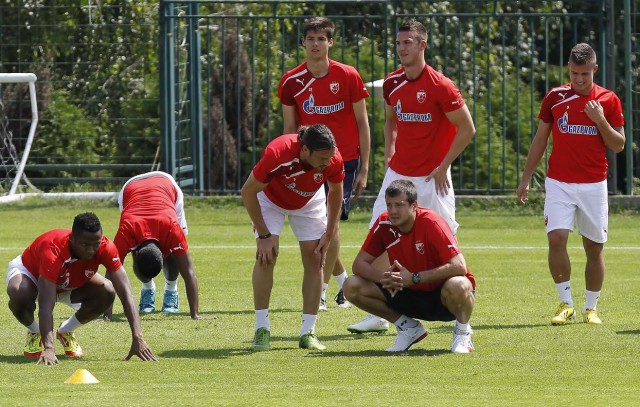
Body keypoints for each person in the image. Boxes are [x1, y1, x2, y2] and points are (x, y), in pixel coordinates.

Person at [348, 18, 476, 333]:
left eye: (408, 42)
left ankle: (454, 307)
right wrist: (390, 151)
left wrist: (444, 165)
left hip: (433, 178)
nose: (402, 48)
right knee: (380, 234)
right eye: (399, 42)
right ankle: (379, 314)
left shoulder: (441, 85)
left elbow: (467, 128)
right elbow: (391, 119)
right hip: (398, 175)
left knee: (444, 238)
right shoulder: (392, 83)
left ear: (422, 45)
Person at [516, 43, 625, 325]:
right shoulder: (555, 98)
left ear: (595, 70)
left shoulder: (609, 100)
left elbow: (619, 145)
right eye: (574, 73)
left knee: (594, 247)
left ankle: (592, 308)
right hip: (559, 183)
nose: (578, 79)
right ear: (569, 69)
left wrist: (599, 119)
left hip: (593, 184)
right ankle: (566, 303)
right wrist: (526, 178)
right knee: (556, 238)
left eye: (584, 74)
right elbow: (540, 140)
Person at [279, 16, 371, 311]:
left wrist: (365, 167)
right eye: (311, 38)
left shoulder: (348, 75)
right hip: (308, 164)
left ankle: (320, 290)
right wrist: (290, 166)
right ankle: (341, 282)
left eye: (322, 39)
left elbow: (362, 122)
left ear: (331, 42)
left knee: (329, 225)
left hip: (345, 161)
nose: (316, 44)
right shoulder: (291, 80)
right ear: (303, 42)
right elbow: (289, 130)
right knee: (322, 227)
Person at [240, 124, 344, 351]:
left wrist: (330, 232)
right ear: (305, 150)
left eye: (330, 157)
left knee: (316, 259)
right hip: (270, 200)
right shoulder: (277, 153)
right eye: (322, 158)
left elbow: (336, 191)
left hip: (309, 202)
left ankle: (308, 332)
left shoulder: (332, 158)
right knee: (267, 256)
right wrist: (264, 235)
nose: (327, 163)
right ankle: (262, 329)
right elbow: (248, 192)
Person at [6, 212, 157, 365]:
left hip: (69, 279)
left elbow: (126, 294)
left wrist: (138, 338)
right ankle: (35, 331)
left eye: (95, 244)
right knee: (19, 294)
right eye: (85, 245)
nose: (91, 250)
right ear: (72, 239)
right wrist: (49, 348)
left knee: (107, 290)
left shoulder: (106, 247)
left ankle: (65, 331)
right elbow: (46, 304)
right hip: (34, 276)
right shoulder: (53, 250)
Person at [343, 180, 476, 353]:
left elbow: (459, 267)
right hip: (405, 291)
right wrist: (385, 278)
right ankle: (408, 328)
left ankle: (462, 333)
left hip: (441, 297)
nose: (393, 211)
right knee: (351, 285)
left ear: (414, 206)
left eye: (399, 205)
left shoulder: (432, 222)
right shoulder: (384, 223)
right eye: (389, 205)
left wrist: (414, 277)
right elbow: (359, 264)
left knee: (459, 284)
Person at [112, 171, 202, 319]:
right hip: (130, 188)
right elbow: (112, 271)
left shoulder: (172, 227)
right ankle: (148, 288)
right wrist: (106, 315)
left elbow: (189, 272)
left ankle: (171, 290)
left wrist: (195, 314)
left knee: (175, 253)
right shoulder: (127, 228)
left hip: (166, 185)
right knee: (142, 256)